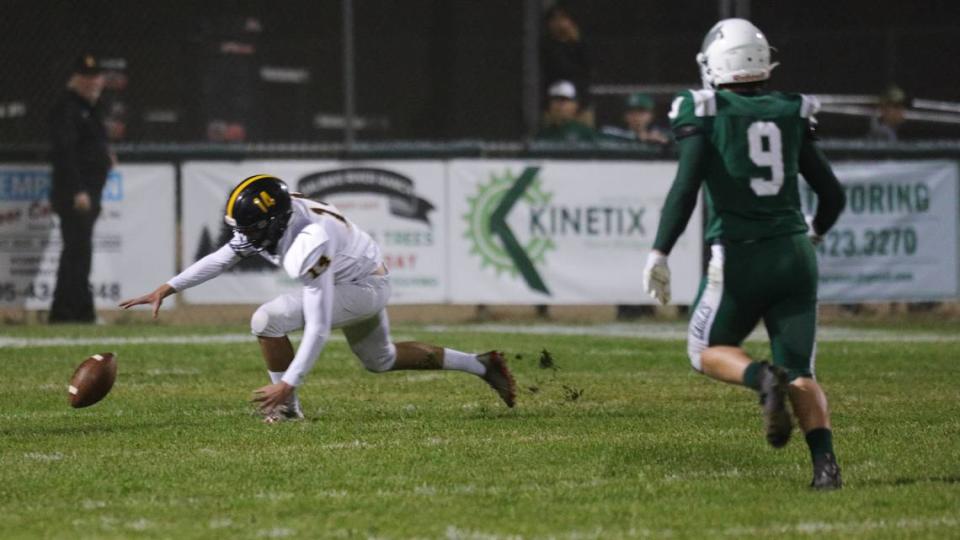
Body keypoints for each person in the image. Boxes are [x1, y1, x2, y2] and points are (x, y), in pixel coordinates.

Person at [120, 175, 516, 422]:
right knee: (382, 360)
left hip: (362, 287)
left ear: (274, 221)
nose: (246, 237)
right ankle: (481, 365)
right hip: (364, 277)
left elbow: (320, 326)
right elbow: (227, 254)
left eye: (253, 228)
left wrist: (289, 383)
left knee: (266, 320)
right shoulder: (279, 215)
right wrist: (170, 286)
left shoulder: (309, 242)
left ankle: (288, 412)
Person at [642, 19, 847, 490]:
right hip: (795, 253)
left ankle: (759, 379)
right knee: (802, 371)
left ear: (716, 63)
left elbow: (687, 184)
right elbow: (832, 195)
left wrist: (660, 250)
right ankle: (826, 468)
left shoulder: (705, 107)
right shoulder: (792, 109)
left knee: (703, 350)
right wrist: (812, 235)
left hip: (740, 254)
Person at [48, 54, 112, 323]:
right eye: (87, 77)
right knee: (75, 251)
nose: (93, 82)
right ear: (75, 79)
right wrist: (78, 190)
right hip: (75, 192)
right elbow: (65, 152)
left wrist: (106, 154)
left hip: (89, 189)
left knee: (79, 251)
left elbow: (90, 144)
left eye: (96, 76)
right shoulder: (68, 107)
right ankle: (68, 312)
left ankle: (77, 310)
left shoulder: (90, 107)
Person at [541, 4, 593, 124]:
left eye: (563, 18)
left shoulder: (581, 45)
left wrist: (576, 42)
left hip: (580, 104)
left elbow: (589, 69)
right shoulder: (546, 46)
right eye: (554, 19)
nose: (559, 23)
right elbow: (557, 69)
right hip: (552, 106)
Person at [600, 93, 671, 145]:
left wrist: (664, 141)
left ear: (651, 115)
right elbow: (605, 133)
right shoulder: (612, 132)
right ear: (625, 116)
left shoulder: (660, 133)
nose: (636, 116)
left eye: (641, 111)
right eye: (631, 112)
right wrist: (639, 138)